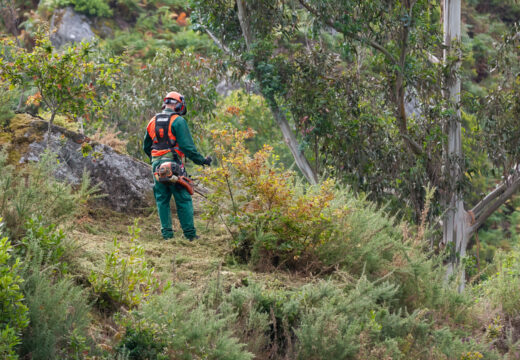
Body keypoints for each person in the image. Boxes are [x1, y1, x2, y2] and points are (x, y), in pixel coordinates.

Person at [143, 91, 211, 240]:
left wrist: (156, 161)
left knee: (162, 199)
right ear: (178, 104)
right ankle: (190, 236)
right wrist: (202, 160)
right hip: (173, 165)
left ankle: (167, 235)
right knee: (183, 198)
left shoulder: (152, 121)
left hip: (156, 166)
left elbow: (146, 146)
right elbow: (187, 148)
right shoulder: (178, 121)